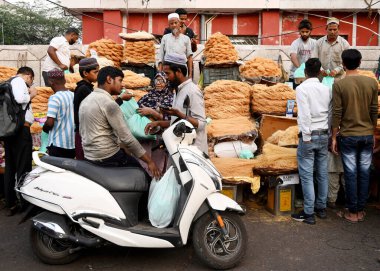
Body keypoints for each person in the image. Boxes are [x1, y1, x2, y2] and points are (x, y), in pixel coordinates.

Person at [78, 66, 161, 179]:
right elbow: (127, 138)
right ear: (109, 79)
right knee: (142, 176)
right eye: (120, 80)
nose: (122, 85)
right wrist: (150, 162)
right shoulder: (109, 104)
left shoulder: (86, 100)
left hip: (89, 156)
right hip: (108, 156)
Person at [332, 49, 378, 223]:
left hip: (348, 136)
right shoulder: (372, 83)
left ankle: (352, 212)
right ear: (360, 63)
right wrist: (372, 132)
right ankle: (360, 211)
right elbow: (374, 110)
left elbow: (337, 113)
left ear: (343, 64)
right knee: (364, 173)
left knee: (351, 174)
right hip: (366, 135)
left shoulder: (339, 85)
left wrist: (334, 137)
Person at [291, 58, 331, 225]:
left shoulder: (302, 88)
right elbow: (329, 113)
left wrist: (306, 136)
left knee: (307, 176)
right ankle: (321, 208)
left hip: (309, 135)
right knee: (322, 173)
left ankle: (309, 213)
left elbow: (305, 115)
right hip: (324, 133)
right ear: (320, 71)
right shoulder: (326, 88)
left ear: (305, 72)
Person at [145, 53, 207, 154]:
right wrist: (158, 123)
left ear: (178, 72)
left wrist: (179, 114)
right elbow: (178, 123)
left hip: (193, 151)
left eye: (168, 73)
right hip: (179, 148)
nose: (167, 78)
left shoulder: (192, 91)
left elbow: (201, 124)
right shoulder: (177, 90)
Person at [73, 58, 133, 160]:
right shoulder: (84, 90)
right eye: (95, 72)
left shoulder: (88, 88)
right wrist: (120, 99)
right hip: (86, 134)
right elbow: (102, 109)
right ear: (85, 73)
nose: (98, 74)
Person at [3, 67, 37, 216]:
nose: (30, 84)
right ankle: (25, 203)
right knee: (23, 167)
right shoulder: (19, 81)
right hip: (20, 131)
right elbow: (20, 99)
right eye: (31, 81)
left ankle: (11, 202)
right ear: (28, 76)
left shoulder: (8, 83)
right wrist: (32, 94)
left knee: (11, 167)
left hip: (10, 131)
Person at [136, 72, 174, 175]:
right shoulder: (148, 96)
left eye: (161, 80)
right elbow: (138, 109)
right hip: (146, 134)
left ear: (166, 82)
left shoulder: (171, 98)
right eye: (156, 80)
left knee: (159, 165)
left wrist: (152, 113)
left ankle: (156, 185)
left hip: (161, 136)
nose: (158, 83)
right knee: (144, 163)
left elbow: (171, 120)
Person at [43, 69, 75, 158]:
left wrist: (44, 128)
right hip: (72, 144)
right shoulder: (73, 95)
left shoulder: (55, 98)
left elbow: (50, 123)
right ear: (64, 80)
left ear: (50, 82)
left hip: (57, 144)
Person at [159, 13, 193, 78]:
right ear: (169, 26)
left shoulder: (186, 38)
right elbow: (161, 57)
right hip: (168, 71)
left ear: (179, 23)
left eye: (175, 23)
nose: (174, 25)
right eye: (171, 24)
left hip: (181, 70)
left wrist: (190, 74)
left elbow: (189, 57)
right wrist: (160, 74)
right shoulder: (165, 38)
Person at [289, 19, 316, 89]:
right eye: (302, 32)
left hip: (309, 77)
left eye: (307, 32)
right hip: (295, 75)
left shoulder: (314, 43)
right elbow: (293, 57)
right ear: (299, 31)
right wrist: (300, 69)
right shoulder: (295, 43)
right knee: (292, 97)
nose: (304, 34)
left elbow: (315, 58)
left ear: (310, 31)